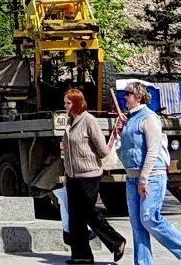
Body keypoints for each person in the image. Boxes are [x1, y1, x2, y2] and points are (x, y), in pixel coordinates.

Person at [118, 81, 181, 265]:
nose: (125, 98)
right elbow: (124, 151)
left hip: (152, 176)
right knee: (137, 225)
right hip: (132, 177)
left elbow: (153, 151)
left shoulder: (149, 118)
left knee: (149, 218)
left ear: (138, 97)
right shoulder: (129, 120)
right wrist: (119, 133)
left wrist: (144, 178)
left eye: (128, 94)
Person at [61, 88, 126, 264]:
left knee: (87, 210)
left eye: (68, 103)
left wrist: (85, 156)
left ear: (76, 103)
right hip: (73, 175)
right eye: (65, 103)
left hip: (89, 175)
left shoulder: (89, 121)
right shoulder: (70, 121)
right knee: (75, 215)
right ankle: (81, 256)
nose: (65, 106)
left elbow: (103, 150)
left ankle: (116, 241)